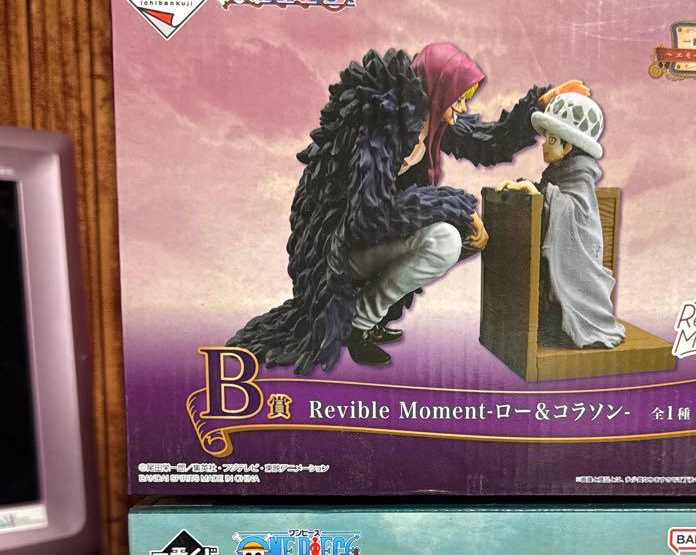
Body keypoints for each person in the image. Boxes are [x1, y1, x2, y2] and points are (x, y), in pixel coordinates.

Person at [227, 45, 587, 371]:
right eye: (458, 98)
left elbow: (488, 142)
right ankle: (359, 322)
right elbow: (368, 214)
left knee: (457, 237)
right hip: (339, 250)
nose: (462, 108)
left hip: (371, 237)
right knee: (446, 239)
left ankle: (367, 315)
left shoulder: (432, 118)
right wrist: (456, 208)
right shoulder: (381, 125)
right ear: (438, 89)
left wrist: (539, 105)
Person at [496, 91, 624, 349]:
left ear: (568, 147)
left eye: (551, 139)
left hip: (582, 263)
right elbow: (553, 196)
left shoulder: (580, 175)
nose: (544, 145)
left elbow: (573, 210)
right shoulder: (559, 172)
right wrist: (527, 188)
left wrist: (540, 194)